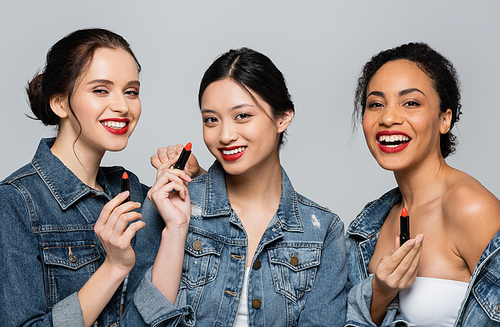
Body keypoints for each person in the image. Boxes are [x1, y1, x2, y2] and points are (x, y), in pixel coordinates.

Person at [128, 47, 347, 326]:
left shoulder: (322, 230)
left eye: (242, 115)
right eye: (211, 120)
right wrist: (175, 230)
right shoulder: (169, 203)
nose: (225, 135)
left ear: (282, 118)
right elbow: (136, 322)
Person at [345, 42, 500, 326]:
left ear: (444, 119)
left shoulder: (470, 207)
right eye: (376, 104)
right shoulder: (371, 223)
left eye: (411, 103)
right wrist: (380, 291)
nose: (389, 118)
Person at [0, 28, 148, 326]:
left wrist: (194, 178)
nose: (122, 106)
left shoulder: (132, 190)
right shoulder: (15, 202)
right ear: (60, 103)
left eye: (131, 91)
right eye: (100, 90)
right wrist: (113, 267)